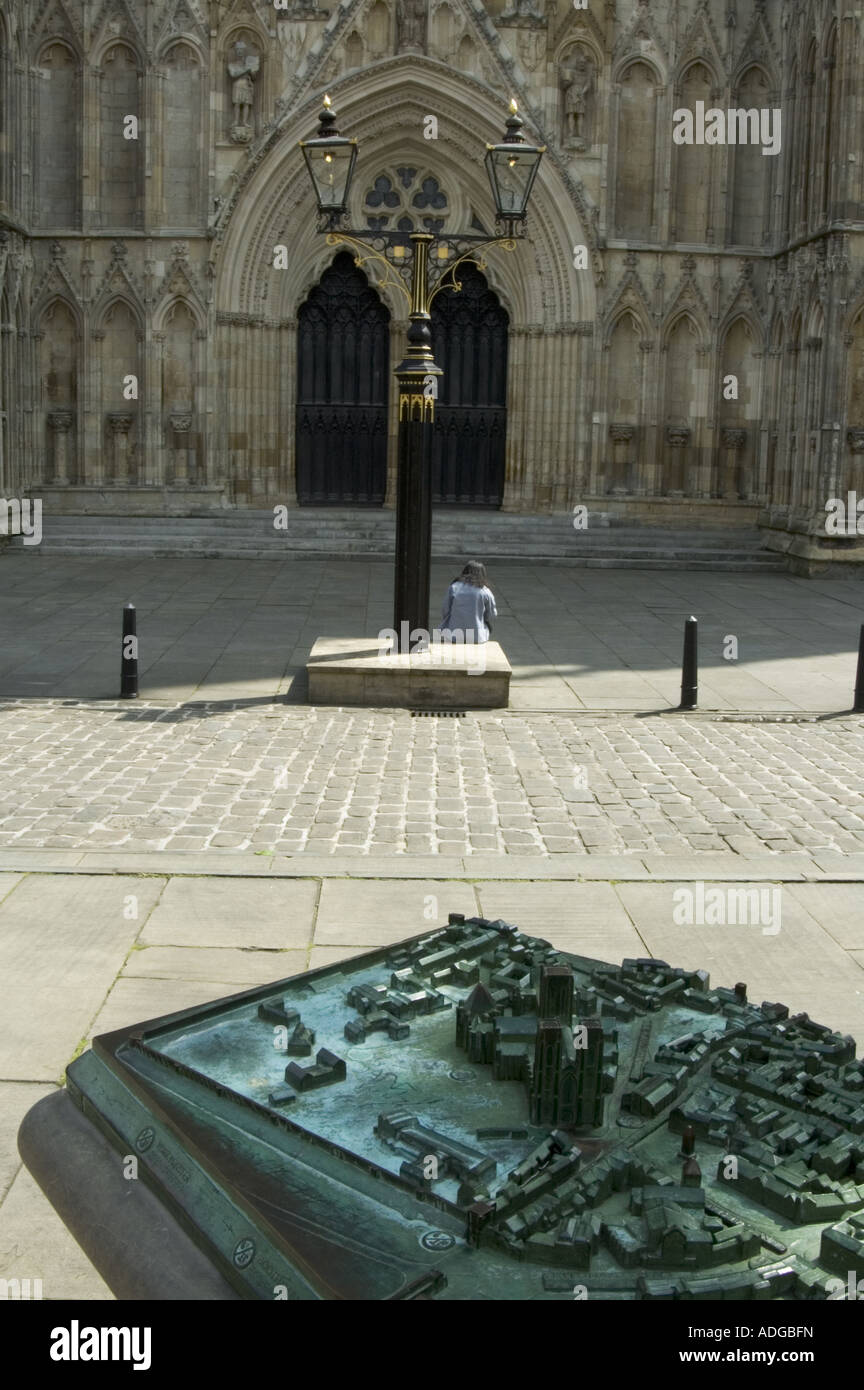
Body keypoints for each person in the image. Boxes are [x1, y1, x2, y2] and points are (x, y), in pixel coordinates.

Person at [440, 561, 497, 644]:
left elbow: (445, 609)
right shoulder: (485, 591)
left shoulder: (454, 587)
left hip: (453, 635)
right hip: (477, 637)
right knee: (487, 627)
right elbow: (492, 614)